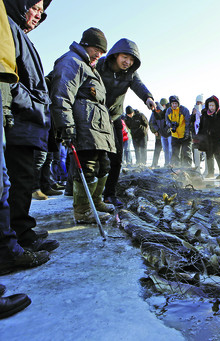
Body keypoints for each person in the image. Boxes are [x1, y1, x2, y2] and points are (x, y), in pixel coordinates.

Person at [3, 0, 58, 252]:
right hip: (19, 119)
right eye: (34, 8)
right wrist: (35, 103)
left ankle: (23, 229)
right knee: (18, 179)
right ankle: (19, 234)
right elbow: (9, 81)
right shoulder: (9, 29)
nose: (38, 15)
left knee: (23, 179)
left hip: (27, 120)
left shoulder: (21, 35)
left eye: (41, 11)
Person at [49, 27, 116, 223]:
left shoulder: (88, 66)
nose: (100, 55)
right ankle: (83, 210)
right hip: (84, 128)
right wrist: (66, 126)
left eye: (103, 52)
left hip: (98, 130)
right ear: (87, 44)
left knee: (103, 166)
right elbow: (61, 95)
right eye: (98, 50)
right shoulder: (72, 62)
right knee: (86, 168)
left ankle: (96, 201)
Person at [96, 38, 155, 204]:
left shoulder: (131, 73)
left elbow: (139, 85)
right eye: (125, 57)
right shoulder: (101, 65)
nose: (127, 62)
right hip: (96, 116)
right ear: (116, 55)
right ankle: (79, 189)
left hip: (114, 116)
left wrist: (148, 98)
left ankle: (109, 194)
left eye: (131, 60)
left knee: (117, 157)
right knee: (95, 156)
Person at [196, 96, 220, 179]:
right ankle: (211, 173)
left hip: (218, 139)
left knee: (218, 156)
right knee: (209, 156)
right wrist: (200, 137)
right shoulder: (204, 114)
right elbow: (201, 127)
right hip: (207, 139)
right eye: (210, 105)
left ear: (216, 105)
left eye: (213, 105)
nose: (211, 107)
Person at [166, 95, 192, 168]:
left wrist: (187, 133)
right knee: (175, 154)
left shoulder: (184, 110)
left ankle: (187, 167)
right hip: (175, 135)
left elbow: (188, 122)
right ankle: (175, 168)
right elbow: (167, 121)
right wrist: (170, 124)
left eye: (176, 103)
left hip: (184, 135)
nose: (174, 105)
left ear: (178, 103)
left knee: (186, 153)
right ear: (170, 104)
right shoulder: (168, 111)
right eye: (173, 103)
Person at [190, 94, 204, 171]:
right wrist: (193, 114)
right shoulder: (194, 110)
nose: (198, 104)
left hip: (203, 135)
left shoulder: (205, 110)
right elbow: (190, 121)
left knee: (202, 151)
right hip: (195, 135)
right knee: (195, 150)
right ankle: (196, 165)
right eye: (197, 102)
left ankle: (201, 164)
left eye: (200, 102)